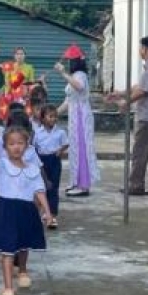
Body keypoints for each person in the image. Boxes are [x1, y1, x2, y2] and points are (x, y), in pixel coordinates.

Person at [0, 124, 54, 295]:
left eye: (20, 143)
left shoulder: (32, 168)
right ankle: (8, 288)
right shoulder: (2, 164)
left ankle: (22, 269)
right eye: (11, 143)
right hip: (5, 210)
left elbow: (39, 191)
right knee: (7, 249)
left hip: (26, 210)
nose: (16, 147)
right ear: (5, 146)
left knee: (23, 245)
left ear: (27, 145)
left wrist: (47, 212)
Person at [111, 36, 148, 196]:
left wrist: (125, 102)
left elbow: (143, 91)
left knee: (140, 152)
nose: (139, 51)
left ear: (145, 49)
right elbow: (140, 86)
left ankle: (136, 185)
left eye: (140, 48)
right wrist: (121, 93)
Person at [54, 55, 99, 197]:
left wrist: (62, 73)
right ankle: (76, 180)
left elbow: (79, 86)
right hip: (74, 116)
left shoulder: (81, 75)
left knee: (82, 148)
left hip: (81, 116)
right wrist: (54, 114)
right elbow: (68, 101)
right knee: (75, 148)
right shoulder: (74, 76)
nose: (67, 63)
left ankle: (83, 185)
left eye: (69, 61)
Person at [33, 104, 69, 229]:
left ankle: (52, 216)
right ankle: (40, 211)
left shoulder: (60, 132)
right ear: (42, 118)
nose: (53, 119)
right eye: (50, 116)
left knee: (53, 187)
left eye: (55, 116)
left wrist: (60, 151)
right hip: (41, 160)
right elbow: (34, 147)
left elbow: (66, 143)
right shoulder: (37, 133)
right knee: (40, 187)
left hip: (54, 160)